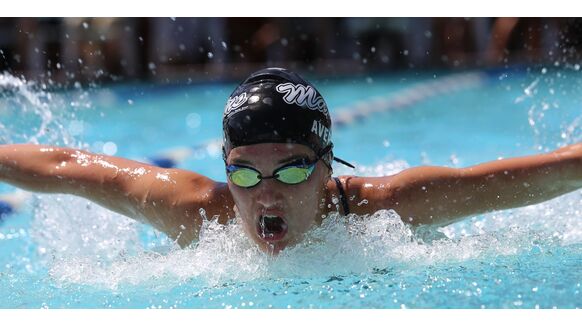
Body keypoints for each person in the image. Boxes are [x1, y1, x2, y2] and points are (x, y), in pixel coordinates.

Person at [0, 68, 580, 254]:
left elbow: (539, 175)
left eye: (294, 168)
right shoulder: (201, 214)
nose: (266, 195)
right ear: (225, 167)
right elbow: (65, 167)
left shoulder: (386, 211)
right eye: (245, 172)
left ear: (329, 167)